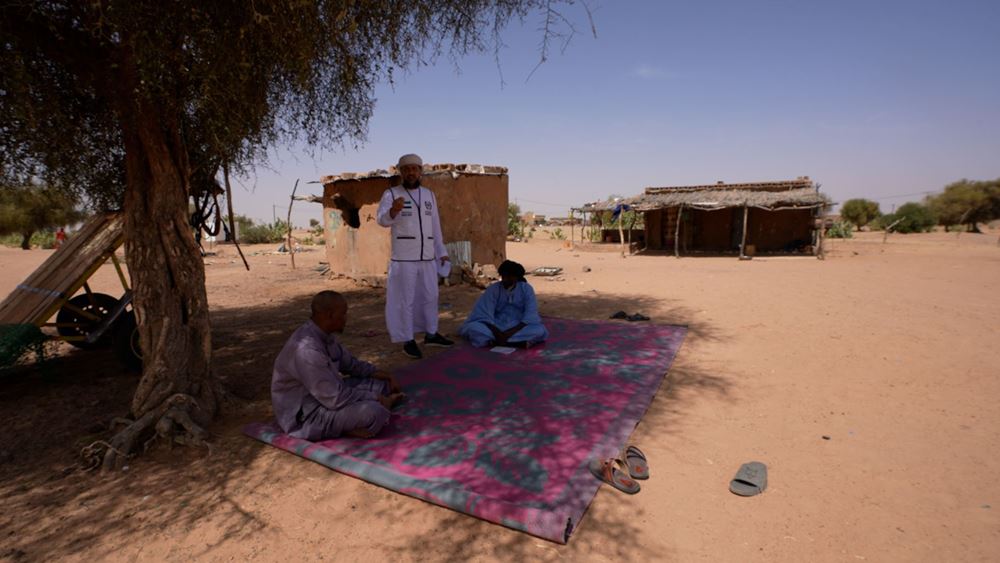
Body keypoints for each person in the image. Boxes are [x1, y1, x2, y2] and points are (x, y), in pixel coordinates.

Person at [271, 291, 405, 440]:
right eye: (343, 314)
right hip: (308, 414)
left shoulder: (325, 336)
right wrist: (376, 398)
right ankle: (345, 427)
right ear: (329, 315)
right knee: (374, 412)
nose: (346, 319)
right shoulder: (307, 350)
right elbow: (334, 398)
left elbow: (352, 365)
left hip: (329, 394)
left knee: (383, 385)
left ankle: (353, 422)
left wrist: (386, 375)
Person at [376, 153, 454, 359]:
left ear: (420, 171)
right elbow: (382, 221)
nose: (411, 172)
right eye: (407, 169)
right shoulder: (391, 194)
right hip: (404, 259)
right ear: (400, 172)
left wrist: (442, 253)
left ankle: (431, 333)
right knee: (405, 300)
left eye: (414, 168)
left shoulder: (429, 195)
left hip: (428, 258)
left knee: (430, 296)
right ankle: (407, 339)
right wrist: (393, 211)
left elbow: (435, 227)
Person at [459, 260, 548, 348]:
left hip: (518, 325)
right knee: (473, 328)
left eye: (509, 277)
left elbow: (530, 316)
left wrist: (508, 334)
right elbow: (484, 314)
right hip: (495, 324)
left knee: (539, 331)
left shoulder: (526, 289)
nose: (505, 279)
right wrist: (497, 333)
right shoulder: (493, 289)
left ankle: (495, 342)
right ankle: (515, 343)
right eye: (503, 276)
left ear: (516, 277)